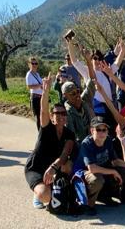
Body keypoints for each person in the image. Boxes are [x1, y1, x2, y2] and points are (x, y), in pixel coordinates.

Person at [24, 75, 76, 209]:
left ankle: (56, 185)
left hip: (52, 166)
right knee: (45, 195)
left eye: (63, 113)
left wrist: (53, 167)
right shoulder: (47, 128)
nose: (60, 116)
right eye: (56, 113)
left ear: (66, 117)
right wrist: (45, 90)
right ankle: (38, 192)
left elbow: (65, 154)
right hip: (36, 167)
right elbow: (43, 111)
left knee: (68, 164)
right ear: (52, 117)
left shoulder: (69, 134)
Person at [74, 116, 125, 215]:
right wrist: (113, 171)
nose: (102, 133)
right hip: (83, 174)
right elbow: (92, 168)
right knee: (98, 179)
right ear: (92, 131)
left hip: (101, 170)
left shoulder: (108, 140)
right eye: (98, 129)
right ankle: (87, 204)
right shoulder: (86, 144)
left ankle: (104, 196)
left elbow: (115, 160)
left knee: (124, 172)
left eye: (104, 130)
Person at [25, 57, 44, 130]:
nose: (34, 65)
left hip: (40, 97)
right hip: (35, 98)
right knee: (38, 117)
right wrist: (39, 85)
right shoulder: (29, 74)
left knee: (42, 116)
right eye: (32, 63)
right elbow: (29, 86)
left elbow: (40, 84)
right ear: (29, 64)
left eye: (36, 63)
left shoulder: (37, 74)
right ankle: (40, 134)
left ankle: (42, 133)